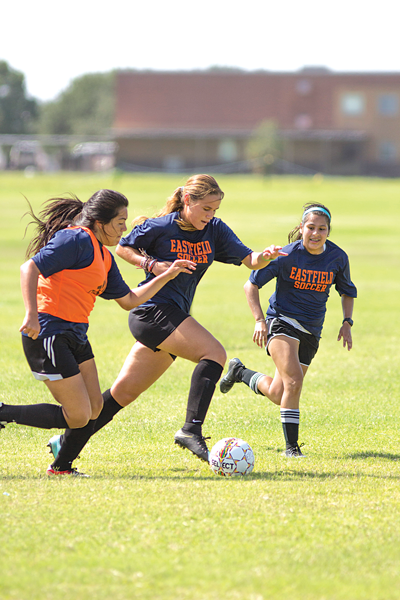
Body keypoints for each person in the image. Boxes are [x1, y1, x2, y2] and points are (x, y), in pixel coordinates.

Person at [46, 174, 285, 467]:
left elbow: (250, 259)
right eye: (206, 209)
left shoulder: (215, 230)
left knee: (123, 393)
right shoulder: (160, 226)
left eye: (215, 210)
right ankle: (191, 429)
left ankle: (65, 446)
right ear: (188, 201)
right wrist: (151, 264)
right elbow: (122, 247)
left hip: (173, 318)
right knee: (214, 353)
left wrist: (267, 256)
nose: (210, 216)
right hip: (152, 311)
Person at [0, 189, 195, 476]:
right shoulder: (76, 239)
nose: (124, 228)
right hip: (49, 333)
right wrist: (31, 314)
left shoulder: (103, 256)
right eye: (120, 222)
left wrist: (167, 274)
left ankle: (62, 467)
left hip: (76, 335)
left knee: (94, 409)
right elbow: (29, 268)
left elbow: (129, 300)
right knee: (78, 415)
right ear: (100, 223)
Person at [219, 202, 357, 457]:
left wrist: (347, 322)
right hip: (281, 322)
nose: (315, 234)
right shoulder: (286, 255)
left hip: (312, 330)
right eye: (311, 227)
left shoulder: (337, 257)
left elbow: (347, 292)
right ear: (301, 228)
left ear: (328, 231)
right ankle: (291, 449)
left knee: (278, 392)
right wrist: (260, 320)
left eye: (322, 229)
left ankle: (240, 372)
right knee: (294, 381)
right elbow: (251, 286)